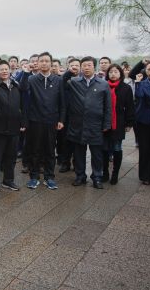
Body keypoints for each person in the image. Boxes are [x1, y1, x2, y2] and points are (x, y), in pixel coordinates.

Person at [65, 56, 112, 189]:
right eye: (84, 65)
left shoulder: (103, 84)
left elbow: (108, 106)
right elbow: (62, 83)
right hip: (78, 124)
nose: (86, 68)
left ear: (94, 67)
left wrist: (106, 124)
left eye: (89, 65)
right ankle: (80, 176)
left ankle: (97, 177)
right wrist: (69, 71)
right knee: (79, 153)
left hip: (95, 124)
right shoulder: (74, 82)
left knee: (96, 154)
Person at [0, 60, 27, 192]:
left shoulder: (15, 85)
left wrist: (23, 122)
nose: (4, 71)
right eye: (1, 69)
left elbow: (22, 104)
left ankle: (8, 180)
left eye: (6, 69)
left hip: (14, 127)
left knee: (11, 157)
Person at [25, 52, 64, 190]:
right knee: (35, 149)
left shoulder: (58, 80)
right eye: (41, 61)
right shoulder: (31, 79)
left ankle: (49, 177)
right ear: (38, 63)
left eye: (47, 61)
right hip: (35, 120)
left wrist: (61, 119)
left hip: (52, 120)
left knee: (50, 150)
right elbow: (25, 99)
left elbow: (62, 102)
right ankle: (34, 177)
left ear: (51, 63)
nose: (44, 63)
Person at [102, 64, 135, 184]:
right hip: (104, 121)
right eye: (111, 72)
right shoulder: (103, 86)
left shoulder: (126, 88)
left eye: (116, 72)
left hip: (119, 122)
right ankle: (105, 173)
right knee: (104, 149)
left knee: (117, 147)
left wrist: (129, 123)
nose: (113, 74)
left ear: (120, 73)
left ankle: (115, 174)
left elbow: (130, 106)